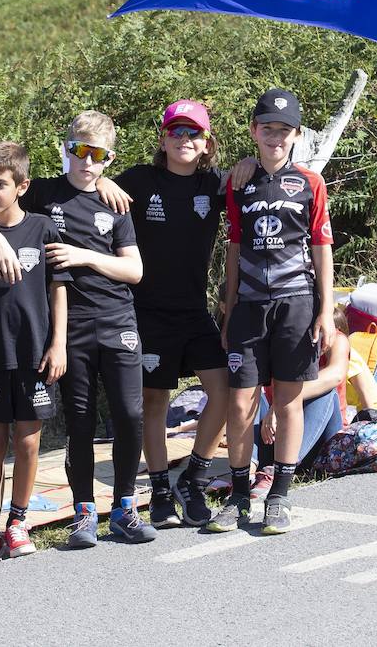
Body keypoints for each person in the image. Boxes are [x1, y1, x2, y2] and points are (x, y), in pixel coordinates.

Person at [0, 111, 154, 548]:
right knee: (81, 421)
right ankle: (85, 511)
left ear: (109, 158)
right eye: (78, 150)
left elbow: (135, 270)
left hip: (117, 319)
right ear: (65, 148)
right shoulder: (44, 191)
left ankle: (125, 506)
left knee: (130, 413)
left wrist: (84, 256)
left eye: (96, 155)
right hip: (68, 327)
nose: (86, 161)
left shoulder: (115, 201)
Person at [210, 88, 336, 536]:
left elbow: (321, 247)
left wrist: (326, 309)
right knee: (241, 398)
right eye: (268, 128)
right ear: (254, 131)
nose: (275, 137)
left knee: (286, 399)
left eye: (284, 130)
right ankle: (240, 497)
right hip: (248, 307)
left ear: (297, 135)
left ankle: (280, 493)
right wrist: (229, 307)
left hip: (297, 303)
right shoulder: (238, 181)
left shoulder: (310, 183)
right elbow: (234, 245)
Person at [113, 100, 228, 529]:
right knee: (154, 400)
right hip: (147, 312)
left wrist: (252, 164)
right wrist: (105, 184)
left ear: (206, 144)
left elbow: (255, 182)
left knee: (227, 389)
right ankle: (160, 488)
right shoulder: (138, 181)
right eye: (176, 132)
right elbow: (91, 191)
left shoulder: (217, 183)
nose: (184, 140)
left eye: (193, 133)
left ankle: (193, 478)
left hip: (195, 312)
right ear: (162, 139)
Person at [0, 142, 69, 567]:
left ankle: (17, 523)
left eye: (0, 184)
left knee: (28, 442)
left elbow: (58, 291)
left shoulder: (42, 229)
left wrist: (59, 343)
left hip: (35, 357)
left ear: (22, 186)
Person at [252, 315, 349, 489]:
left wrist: (278, 404)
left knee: (325, 391)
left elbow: (336, 374)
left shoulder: (336, 339)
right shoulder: (281, 341)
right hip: (276, 436)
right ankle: (246, 474)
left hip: (321, 442)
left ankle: (281, 471)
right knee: (250, 393)